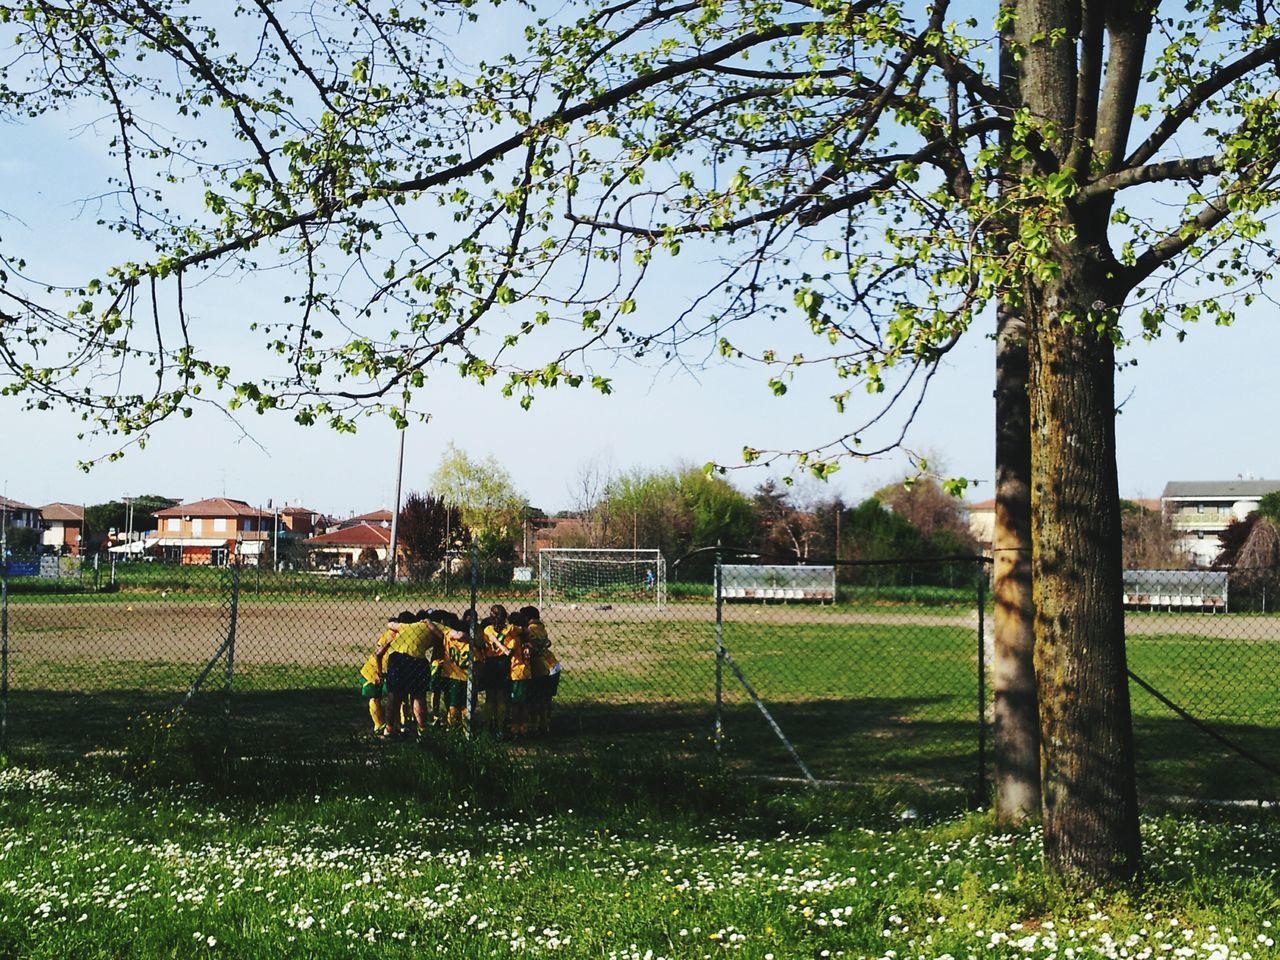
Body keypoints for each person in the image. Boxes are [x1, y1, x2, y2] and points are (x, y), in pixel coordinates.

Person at [377, 610, 440, 738]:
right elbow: (441, 636)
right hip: (418, 661)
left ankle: (389, 730)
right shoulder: (428, 627)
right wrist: (430, 625)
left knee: (393, 696)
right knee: (418, 696)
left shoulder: (403, 627)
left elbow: (390, 624)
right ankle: (422, 730)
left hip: (398, 660)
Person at [522, 605, 560, 736]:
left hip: (540, 668)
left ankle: (534, 726)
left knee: (535, 698)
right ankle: (545, 724)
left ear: (527, 618)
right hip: (552, 665)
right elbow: (546, 643)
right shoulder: (541, 628)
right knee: (545, 698)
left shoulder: (530, 629)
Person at [481, 604, 518, 736]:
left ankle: (487, 727)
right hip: (503, 663)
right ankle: (500, 727)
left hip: (490, 663)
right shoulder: (510, 629)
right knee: (501, 696)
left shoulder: (487, 630)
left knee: (490, 696)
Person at [506, 609, 534, 737]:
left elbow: (508, 654)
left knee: (516, 703)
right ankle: (525, 726)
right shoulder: (526, 639)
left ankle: (516, 727)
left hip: (517, 674)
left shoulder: (514, 640)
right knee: (524, 701)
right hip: (526, 672)